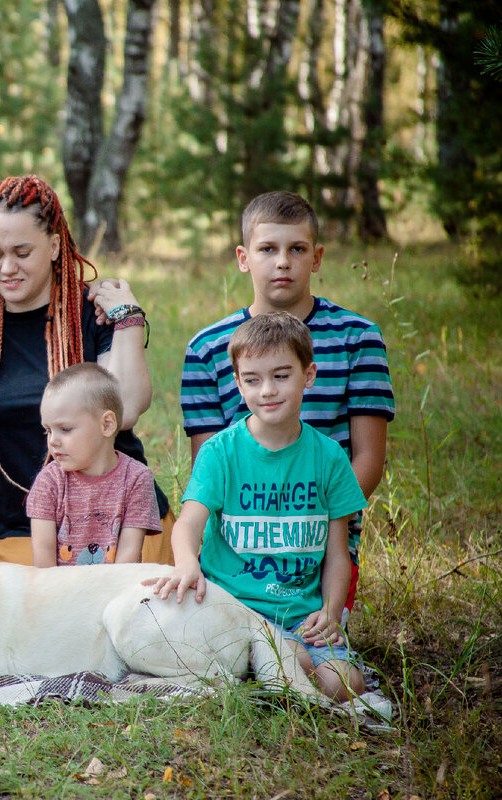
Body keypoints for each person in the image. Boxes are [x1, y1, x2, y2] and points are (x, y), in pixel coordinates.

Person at [179, 190, 394, 618]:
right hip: (240, 546)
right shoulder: (206, 349)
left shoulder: (358, 338)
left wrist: (311, 525)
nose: (282, 262)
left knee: (318, 661)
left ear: (316, 258)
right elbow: (208, 464)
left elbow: (369, 456)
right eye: (267, 249)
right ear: (243, 257)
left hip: (323, 541)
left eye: (296, 249)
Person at [0, 174, 170, 565]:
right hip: (22, 530)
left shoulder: (91, 313)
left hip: (121, 527)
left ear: (54, 245)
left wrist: (129, 318)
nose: (7, 268)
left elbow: (127, 408)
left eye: (22, 252)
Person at [151, 313, 367, 701]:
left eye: (281, 376)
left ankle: (262, 681)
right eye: (252, 379)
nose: (267, 390)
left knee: (346, 684)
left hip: (301, 616)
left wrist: (331, 611)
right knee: (292, 665)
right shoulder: (221, 452)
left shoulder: (329, 458)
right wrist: (186, 562)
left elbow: (338, 554)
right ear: (238, 383)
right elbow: (187, 524)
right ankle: (258, 675)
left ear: (309, 374)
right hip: (234, 610)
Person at [26, 363, 161, 567]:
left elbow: (129, 556)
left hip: (117, 592)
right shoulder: (49, 481)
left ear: (106, 424)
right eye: (48, 430)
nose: (53, 440)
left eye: (65, 428)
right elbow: (43, 563)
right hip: (60, 594)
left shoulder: (136, 478)